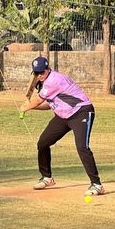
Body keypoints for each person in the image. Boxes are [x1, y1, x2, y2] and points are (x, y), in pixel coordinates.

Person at [20, 57, 105, 196]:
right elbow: (50, 104)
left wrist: (26, 107)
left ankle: (96, 185)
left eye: (42, 72)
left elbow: (37, 100)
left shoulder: (54, 80)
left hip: (81, 112)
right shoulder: (45, 82)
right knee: (43, 143)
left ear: (48, 69)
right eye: (36, 73)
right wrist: (31, 108)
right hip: (63, 116)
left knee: (82, 147)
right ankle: (47, 177)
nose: (39, 75)